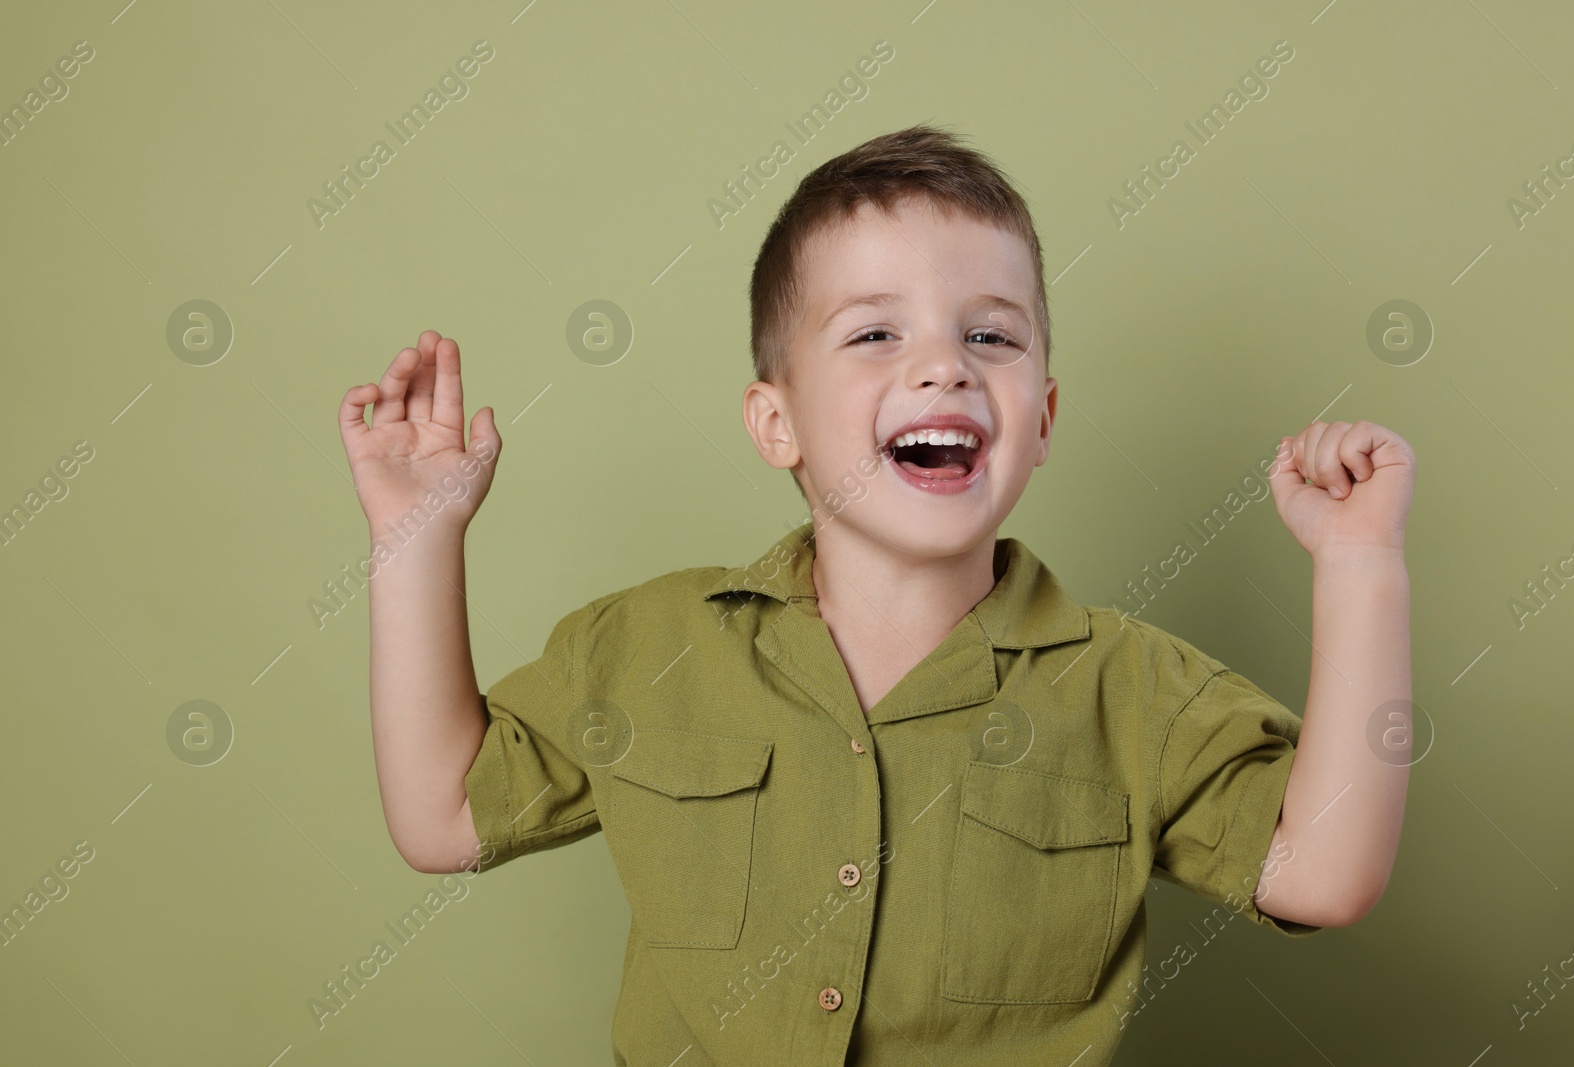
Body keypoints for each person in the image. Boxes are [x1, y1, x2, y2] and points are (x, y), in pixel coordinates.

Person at [336, 123, 1415, 1065]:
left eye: (988, 334)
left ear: (1039, 419)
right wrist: (414, 537)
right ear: (777, 423)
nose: (943, 365)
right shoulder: (643, 647)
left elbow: (1321, 872)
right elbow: (442, 815)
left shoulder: (1137, 690)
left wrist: (1361, 566)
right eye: (874, 332)